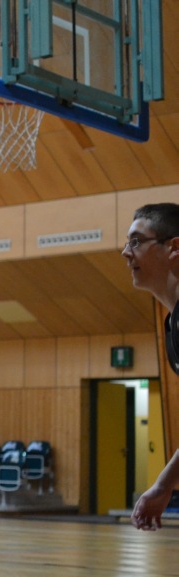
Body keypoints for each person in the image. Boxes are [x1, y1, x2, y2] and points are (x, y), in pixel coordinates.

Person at [123, 203, 179, 531]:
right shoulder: (172, 324)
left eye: (136, 241)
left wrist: (163, 484)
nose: (125, 253)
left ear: (174, 247)